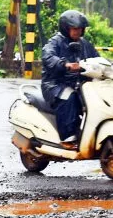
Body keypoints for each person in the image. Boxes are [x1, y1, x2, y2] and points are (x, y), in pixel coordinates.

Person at [41, 10, 98, 146]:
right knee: (70, 97)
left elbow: (97, 58)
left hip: (77, 83)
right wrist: (64, 64)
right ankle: (67, 136)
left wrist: (107, 65)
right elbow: (47, 57)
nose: (77, 32)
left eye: (79, 29)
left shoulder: (85, 44)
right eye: (74, 28)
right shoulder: (55, 42)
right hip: (55, 84)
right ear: (66, 28)